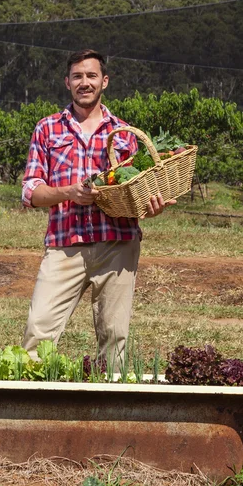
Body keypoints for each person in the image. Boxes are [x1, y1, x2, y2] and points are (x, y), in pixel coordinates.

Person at [21, 49, 175, 364]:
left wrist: (151, 207)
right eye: (77, 76)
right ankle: (29, 406)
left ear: (104, 81)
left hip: (117, 243)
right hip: (65, 243)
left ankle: (108, 409)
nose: (84, 82)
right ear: (67, 82)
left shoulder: (124, 133)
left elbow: (135, 194)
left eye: (91, 76)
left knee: (114, 337)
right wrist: (68, 192)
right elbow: (31, 191)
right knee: (38, 331)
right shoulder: (47, 129)